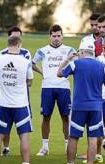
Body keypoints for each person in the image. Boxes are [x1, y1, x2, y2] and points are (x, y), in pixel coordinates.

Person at [57, 41, 105, 164]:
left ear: (82, 52)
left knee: (73, 137)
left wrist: (67, 59)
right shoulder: (102, 66)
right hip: (96, 107)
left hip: (79, 107)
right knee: (93, 138)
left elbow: (59, 73)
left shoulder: (75, 64)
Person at [0, 35, 33, 164]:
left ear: (7, 45)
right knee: (24, 136)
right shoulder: (25, 62)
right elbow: (30, 82)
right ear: (19, 46)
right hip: (20, 104)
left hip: (3, 104)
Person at [32, 25, 76, 155]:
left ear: (62, 36)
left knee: (65, 117)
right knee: (46, 117)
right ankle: (45, 147)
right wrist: (42, 72)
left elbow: (77, 65)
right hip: (47, 87)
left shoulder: (69, 50)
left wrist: (68, 73)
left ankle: (68, 146)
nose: (56, 38)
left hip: (63, 87)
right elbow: (32, 63)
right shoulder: (42, 51)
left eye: (58, 36)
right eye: (54, 36)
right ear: (49, 36)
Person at [0, 26, 31, 156]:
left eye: (19, 35)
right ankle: (6, 147)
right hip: (8, 94)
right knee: (7, 127)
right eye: (14, 36)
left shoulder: (26, 53)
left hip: (22, 96)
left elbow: (29, 76)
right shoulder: (1, 53)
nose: (17, 38)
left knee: (22, 128)